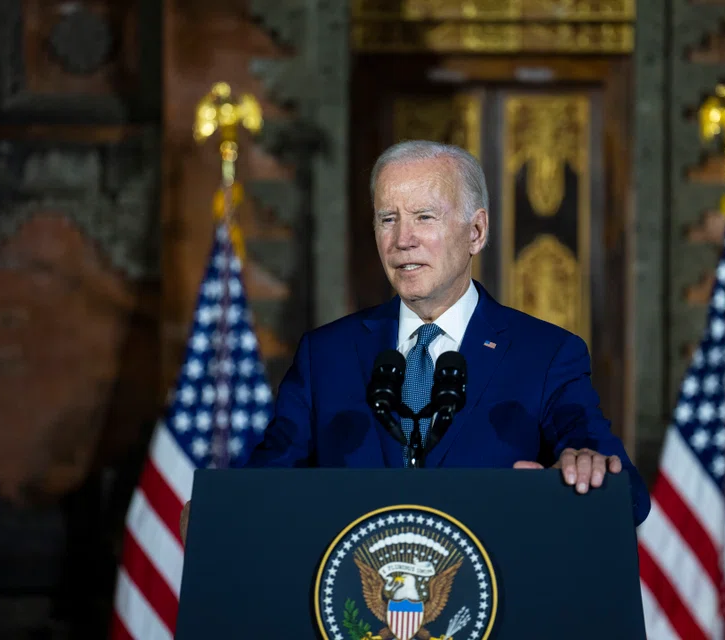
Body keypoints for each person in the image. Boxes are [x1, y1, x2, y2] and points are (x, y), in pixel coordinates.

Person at [181, 140, 650, 541]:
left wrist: (584, 471)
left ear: (477, 231)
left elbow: (626, 493)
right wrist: (221, 514)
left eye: (424, 217)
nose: (402, 239)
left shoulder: (545, 354)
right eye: (388, 219)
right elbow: (269, 482)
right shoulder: (327, 355)